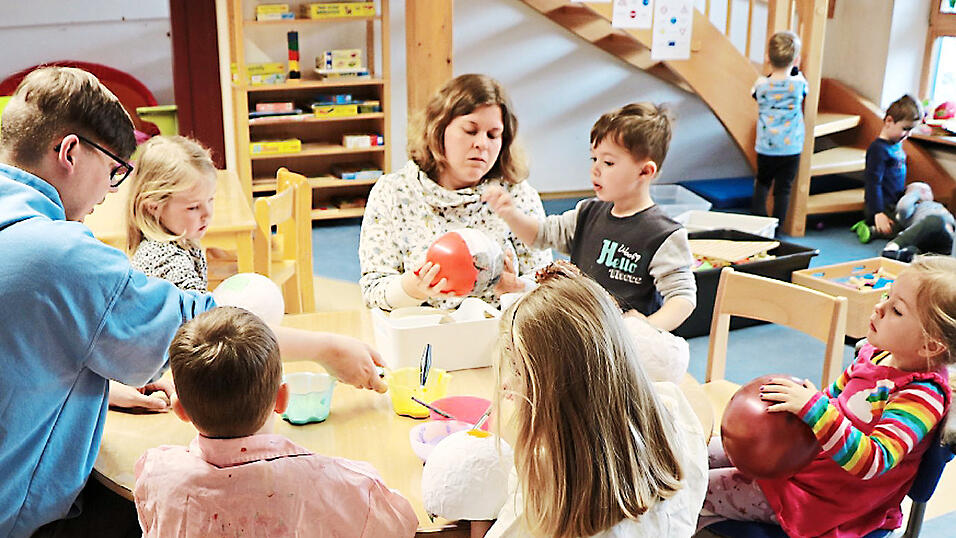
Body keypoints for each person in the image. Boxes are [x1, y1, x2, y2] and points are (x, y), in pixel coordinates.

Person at [0, 66, 384, 537]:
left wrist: (108, 388)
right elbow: (203, 327)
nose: (111, 191)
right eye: (114, 170)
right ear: (71, 152)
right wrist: (328, 347)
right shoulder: (62, 255)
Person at [702, 256, 956, 537]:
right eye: (887, 295)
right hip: (805, 466)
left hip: (826, 500)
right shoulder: (876, 354)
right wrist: (801, 408)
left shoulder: (921, 396)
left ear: (930, 345)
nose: (879, 306)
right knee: (695, 454)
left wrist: (814, 408)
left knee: (694, 487)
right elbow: (833, 397)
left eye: (895, 309)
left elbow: (873, 461)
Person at [468, 261, 706, 537]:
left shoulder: (550, 480)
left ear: (560, 391)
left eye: (519, 371)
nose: (507, 384)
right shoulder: (670, 411)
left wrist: (478, 520)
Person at [135, 307, 418, 537]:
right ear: (283, 399)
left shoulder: (154, 473)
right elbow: (402, 526)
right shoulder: (347, 485)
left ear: (179, 409)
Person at [483, 103, 696, 331]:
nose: (596, 169)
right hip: (579, 333)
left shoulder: (663, 234)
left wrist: (648, 327)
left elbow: (682, 298)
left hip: (624, 346)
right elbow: (540, 235)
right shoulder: (587, 213)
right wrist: (511, 214)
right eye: (594, 159)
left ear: (645, 172)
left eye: (608, 162)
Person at [359, 73, 552, 311]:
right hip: (420, 335)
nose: (482, 144)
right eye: (471, 131)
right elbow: (374, 290)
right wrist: (413, 288)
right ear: (439, 129)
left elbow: (545, 289)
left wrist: (516, 290)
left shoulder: (516, 196)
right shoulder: (393, 192)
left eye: (493, 135)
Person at [127, 135, 217, 292]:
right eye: (194, 207)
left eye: (210, 199)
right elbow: (202, 312)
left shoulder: (180, 241)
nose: (207, 214)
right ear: (154, 207)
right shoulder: (165, 261)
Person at [750, 30, 807, 223]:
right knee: (784, 189)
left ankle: (758, 223)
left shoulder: (761, 84)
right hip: (791, 147)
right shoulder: (799, 84)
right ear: (796, 60)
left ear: (767, 58)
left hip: (767, 145)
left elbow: (754, 95)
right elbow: (803, 88)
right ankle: (778, 229)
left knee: (763, 183)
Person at [851, 94, 923, 241]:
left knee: (917, 219)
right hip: (881, 207)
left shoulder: (897, 144)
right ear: (889, 121)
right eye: (906, 129)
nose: (908, 134)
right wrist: (877, 213)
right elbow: (873, 183)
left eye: (912, 130)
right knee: (906, 230)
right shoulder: (878, 149)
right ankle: (869, 228)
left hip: (895, 204)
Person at [851, 181, 955, 261]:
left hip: (947, 241)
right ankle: (893, 249)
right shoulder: (910, 210)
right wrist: (915, 193)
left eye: (927, 190)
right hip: (929, 233)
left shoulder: (936, 205)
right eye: (919, 189)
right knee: (935, 221)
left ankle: (910, 257)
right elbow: (903, 207)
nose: (924, 191)